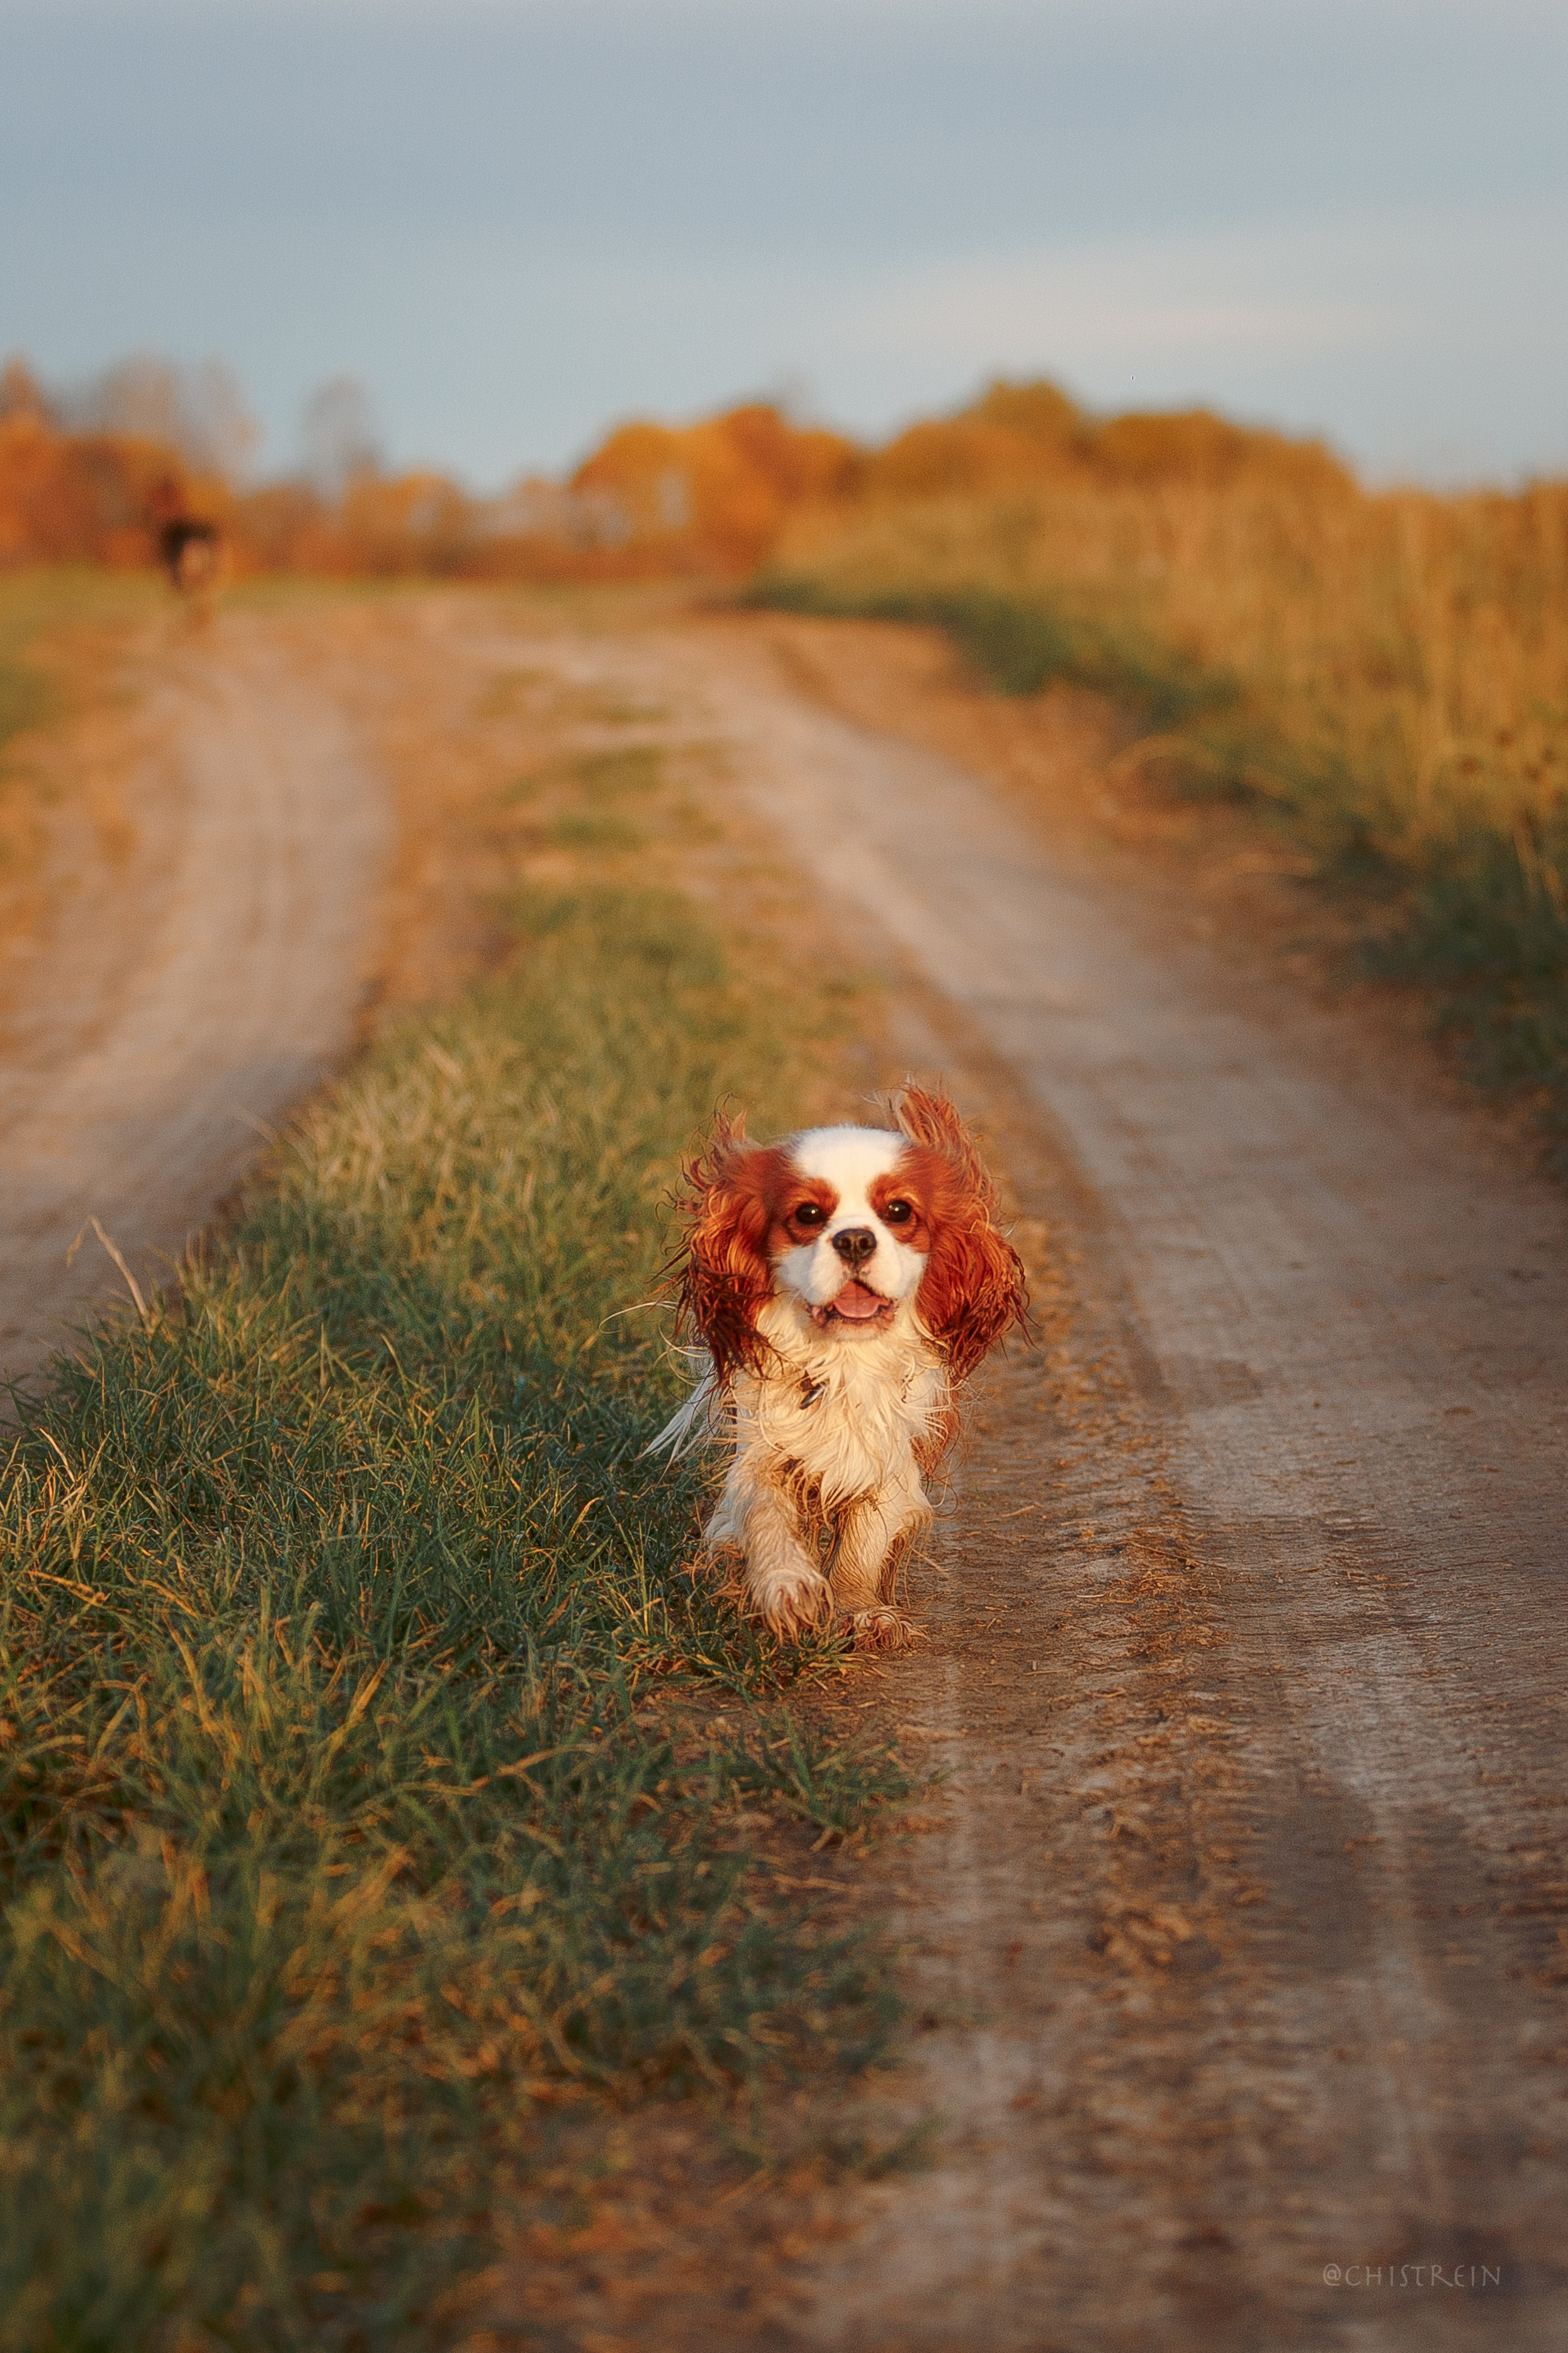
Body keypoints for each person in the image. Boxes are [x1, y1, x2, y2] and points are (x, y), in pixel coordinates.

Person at [147, 473, 222, 597]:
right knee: (179, 570)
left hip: (180, 537)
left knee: (189, 570)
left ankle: (193, 593)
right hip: (175, 539)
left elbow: (175, 518)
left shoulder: (175, 509)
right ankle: (185, 591)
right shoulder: (167, 503)